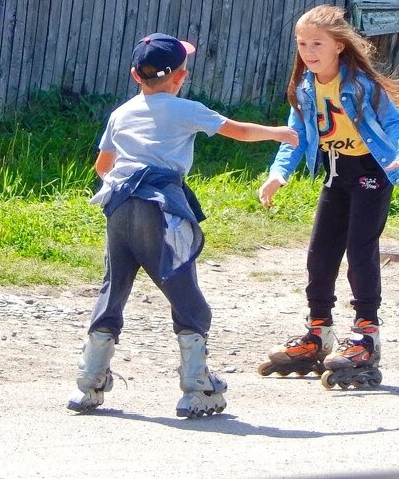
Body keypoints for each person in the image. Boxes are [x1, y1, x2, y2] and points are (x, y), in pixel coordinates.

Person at [69, 33, 298, 417]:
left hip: (120, 207)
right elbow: (238, 131)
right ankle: (197, 387)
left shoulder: (121, 113)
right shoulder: (186, 109)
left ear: (134, 75)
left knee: (114, 288)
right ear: (181, 76)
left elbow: (102, 167)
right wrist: (278, 133)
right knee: (183, 289)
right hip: (161, 209)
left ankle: (89, 382)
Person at [257, 5, 399, 388]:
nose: (308, 51)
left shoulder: (362, 85)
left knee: (359, 251)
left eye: (317, 43)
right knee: (320, 255)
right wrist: (278, 173)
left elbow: (397, 124)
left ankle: (366, 337)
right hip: (336, 174)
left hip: (371, 172)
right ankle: (319, 334)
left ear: (338, 46)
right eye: (302, 43)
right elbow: (294, 136)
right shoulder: (305, 87)